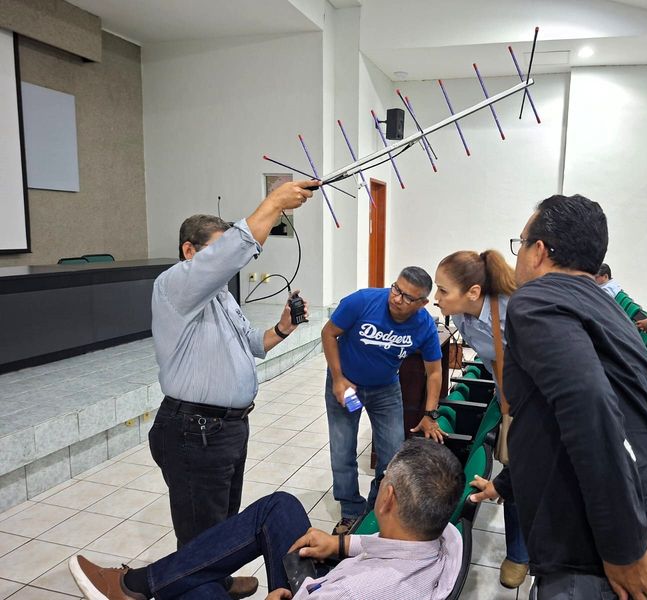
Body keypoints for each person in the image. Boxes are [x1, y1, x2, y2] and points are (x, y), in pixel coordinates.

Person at [470, 194, 647, 600]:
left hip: (607, 555)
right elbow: (555, 417)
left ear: (538, 251)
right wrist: (508, 483)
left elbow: (590, 406)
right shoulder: (607, 309)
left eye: (520, 243)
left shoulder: (536, 299)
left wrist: (623, 547)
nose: (518, 255)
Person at [149, 179, 318, 598]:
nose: (228, 266)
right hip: (194, 430)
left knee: (223, 524)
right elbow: (231, 253)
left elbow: (253, 344)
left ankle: (217, 581)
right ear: (190, 252)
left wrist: (285, 326)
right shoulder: (173, 286)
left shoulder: (220, 297)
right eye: (217, 252)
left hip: (226, 429)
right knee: (198, 536)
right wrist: (275, 202)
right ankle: (193, 589)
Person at [68, 438, 465, 600]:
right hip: (330, 579)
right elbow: (399, 549)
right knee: (280, 507)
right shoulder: (445, 536)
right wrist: (342, 543)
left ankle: (139, 585)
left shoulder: (356, 591)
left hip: (321, 590)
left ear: (388, 498)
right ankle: (151, 582)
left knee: (196, 589)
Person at [321, 267, 445, 535]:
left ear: (422, 303)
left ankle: (377, 507)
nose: (396, 298)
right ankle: (350, 511)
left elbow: (434, 372)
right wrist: (338, 378)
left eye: (407, 297)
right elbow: (328, 334)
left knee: (391, 455)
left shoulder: (424, 324)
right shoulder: (362, 301)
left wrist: (430, 414)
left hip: (385, 391)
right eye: (396, 288)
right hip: (348, 387)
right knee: (343, 451)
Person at [434, 249, 530, 589]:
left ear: (473, 292)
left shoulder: (514, 313)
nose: (436, 297)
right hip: (507, 398)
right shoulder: (462, 317)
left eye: (443, 290)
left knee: (527, 475)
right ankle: (520, 549)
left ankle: (521, 553)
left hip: (537, 402)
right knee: (514, 471)